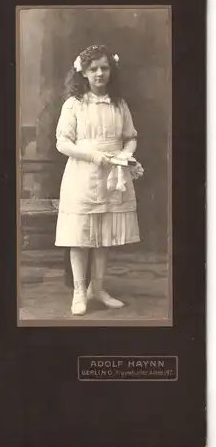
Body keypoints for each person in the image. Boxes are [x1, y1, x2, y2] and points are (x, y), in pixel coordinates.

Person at [55, 44, 141, 315]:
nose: (100, 73)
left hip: (113, 177)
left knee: (104, 235)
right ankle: (80, 291)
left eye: (104, 68)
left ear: (111, 71)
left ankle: (98, 288)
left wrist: (125, 156)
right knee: (80, 236)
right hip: (82, 174)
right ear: (84, 73)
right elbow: (62, 143)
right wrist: (93, 156)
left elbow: (130, 137)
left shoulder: (119, 104)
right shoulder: (74, 104)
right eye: (94, 69)